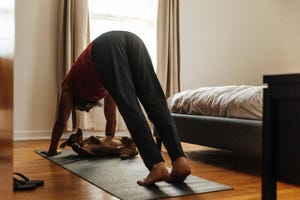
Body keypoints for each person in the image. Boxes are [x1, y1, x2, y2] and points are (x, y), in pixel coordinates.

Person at [46, 31, 191, 186]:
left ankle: (157, 165)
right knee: (155, 100)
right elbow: (111, 120)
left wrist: (52, 150)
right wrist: (109, 146)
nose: (84, 110)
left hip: (104, 47)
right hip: (134, 40)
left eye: (80, 108)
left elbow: (61, 121)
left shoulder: (69, 85)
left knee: (129, 106)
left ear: (79, 102)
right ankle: (180, 162)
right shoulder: (103, 85)